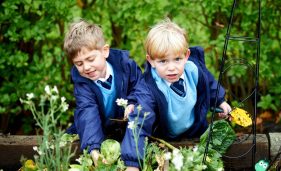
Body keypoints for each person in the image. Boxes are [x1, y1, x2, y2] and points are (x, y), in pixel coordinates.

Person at [121, 18, 232, 170]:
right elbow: (140, 120)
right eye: (163, 61)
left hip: (195, 131)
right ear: (151, 61)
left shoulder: (194, 70)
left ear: (186, 56)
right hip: (165, 137)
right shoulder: (149, 87)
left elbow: (210, 85)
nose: (171, 68)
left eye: (177, 59)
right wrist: (132, 163)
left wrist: (220, 101)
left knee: (203, 161)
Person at [63, 19, 141, 166]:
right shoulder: (82, 82)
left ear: (105, 51)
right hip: (96, 132)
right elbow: (87, 111)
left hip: (125, 132)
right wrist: (93, 148)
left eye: (90, 59)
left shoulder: (126, 67)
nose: (86, 67)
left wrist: (132, 103)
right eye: (79, 64)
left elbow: (140, 88)